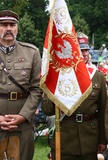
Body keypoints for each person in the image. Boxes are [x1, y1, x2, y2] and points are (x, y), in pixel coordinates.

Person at [42, 31, 107, 160]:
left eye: (86, 50)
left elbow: (103, 111)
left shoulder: (97, 76)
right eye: (79, 50)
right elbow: (47, 110)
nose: (83, 54)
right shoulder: (59, 76)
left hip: (90, 138)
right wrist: (57, 88)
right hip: (65, 137)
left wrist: (102, 139)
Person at [0, 10, 42, 160]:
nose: (8, 28)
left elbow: (36, 89)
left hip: (22, 123)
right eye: (3, 25)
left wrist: (23, 116)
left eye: (12, 24)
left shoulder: (32, 52)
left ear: (17, 27)